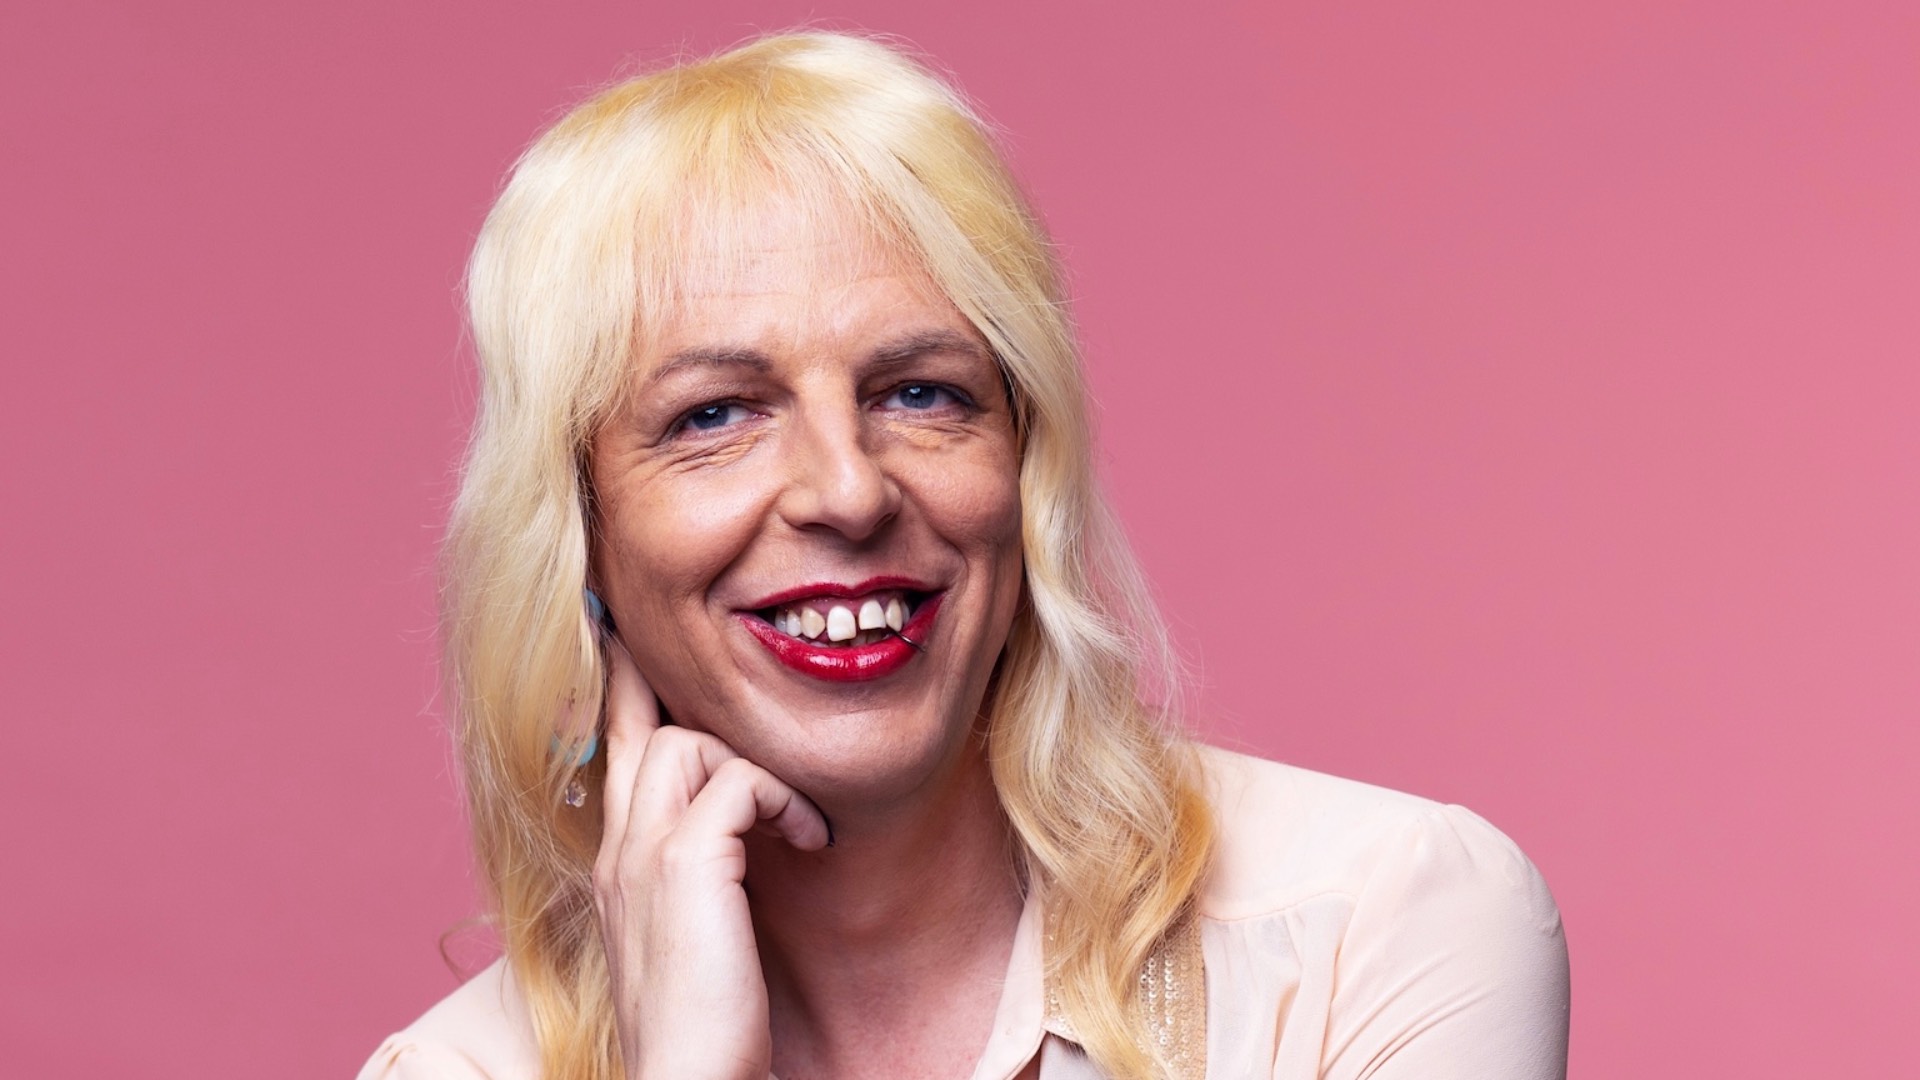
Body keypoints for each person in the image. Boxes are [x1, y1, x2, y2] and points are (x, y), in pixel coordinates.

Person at [359, 30, 1569, 1080]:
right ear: (578, 531)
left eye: (921, 392)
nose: (848, 490)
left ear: (1025, 463)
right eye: (714, 415)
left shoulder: (1379, 925)